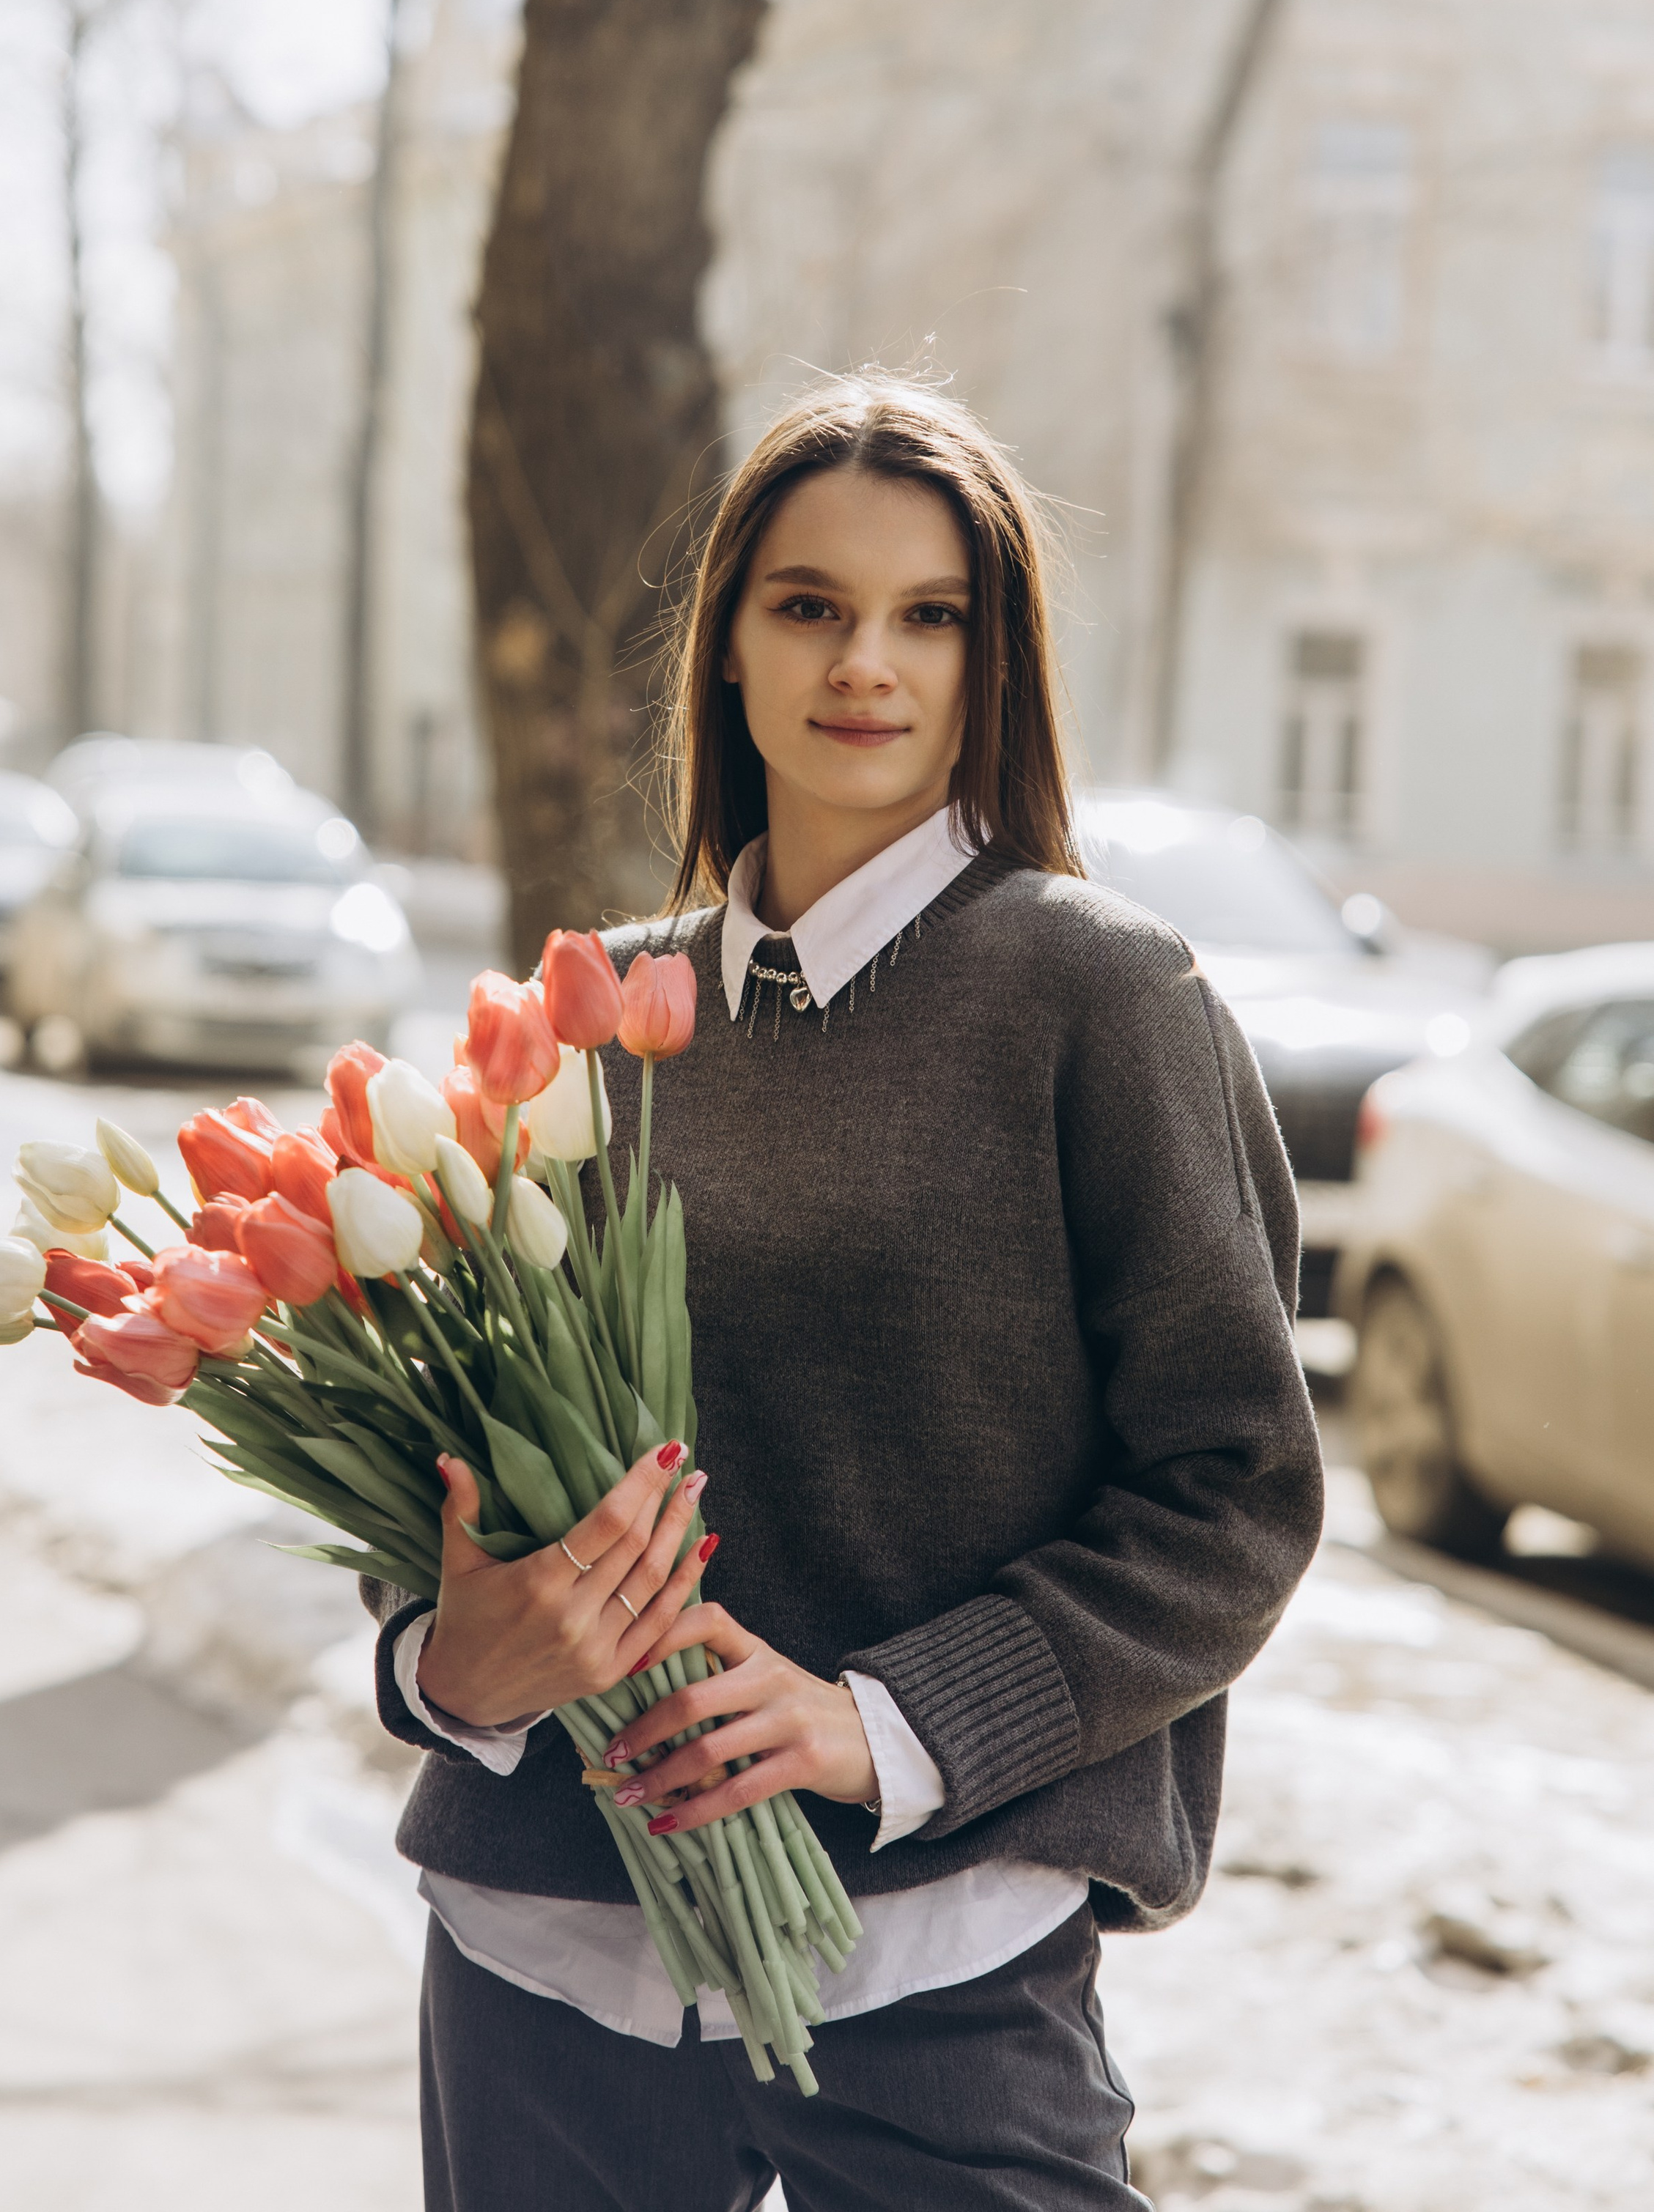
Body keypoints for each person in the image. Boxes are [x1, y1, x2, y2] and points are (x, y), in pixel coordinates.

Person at [362, 377, 1323, 2210]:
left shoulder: (1094, 994)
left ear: (990, 658)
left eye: (925, 614)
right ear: (728, 641)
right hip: (543, 1956)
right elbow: (446, 1438)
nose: (862, 662)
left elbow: (1233, 1493)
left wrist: (880, 1723)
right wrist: (444, 1657)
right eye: (807, 605)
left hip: (932, 1957)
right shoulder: (591, 1018)